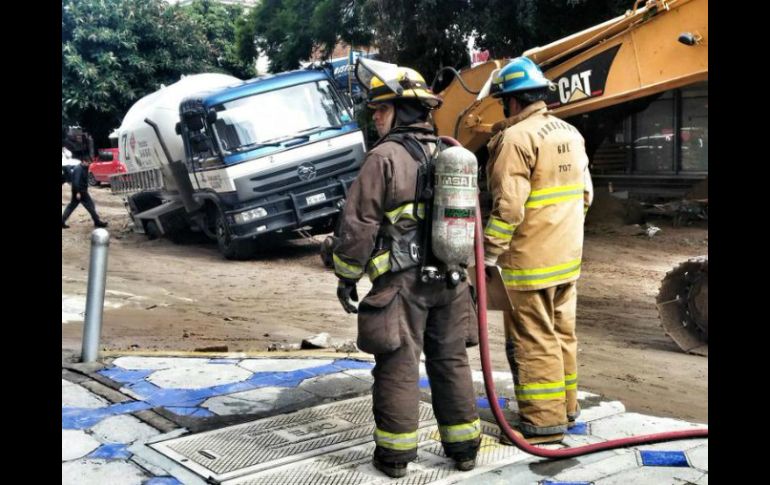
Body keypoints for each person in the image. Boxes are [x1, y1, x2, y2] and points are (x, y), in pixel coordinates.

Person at [332, 61, 480, 478]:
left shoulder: (384, 158)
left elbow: (358, 223)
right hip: (452, 279)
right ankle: (465, 448)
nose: (375, 116)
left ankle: (395, 458)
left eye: (381, 109)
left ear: (402, 110)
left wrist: (346, 274)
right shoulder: (451, 154)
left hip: (403, 284)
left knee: (398, 365)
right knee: (450, 361)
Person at [482, 57, 593, 445]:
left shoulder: (515, 140)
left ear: (511, 102)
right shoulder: (570, 133)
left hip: (529, 263)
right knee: (563, 334)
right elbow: (585, 195)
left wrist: (487, 254)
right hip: (567, 257)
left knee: (534, 340)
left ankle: (543, 422)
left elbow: (509, 209)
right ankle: (567, 406)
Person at [62, 156, 108, 229]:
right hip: (80, 191)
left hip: (80, 191)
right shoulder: (78, 169)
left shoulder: (83, 167)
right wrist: (78, 192)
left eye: (90, 163)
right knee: (90, 206)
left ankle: (62, 221)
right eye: (88, 163)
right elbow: (76, 182)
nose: (89, 165)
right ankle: (97, 222)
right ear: (83, 161)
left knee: (71, 207)